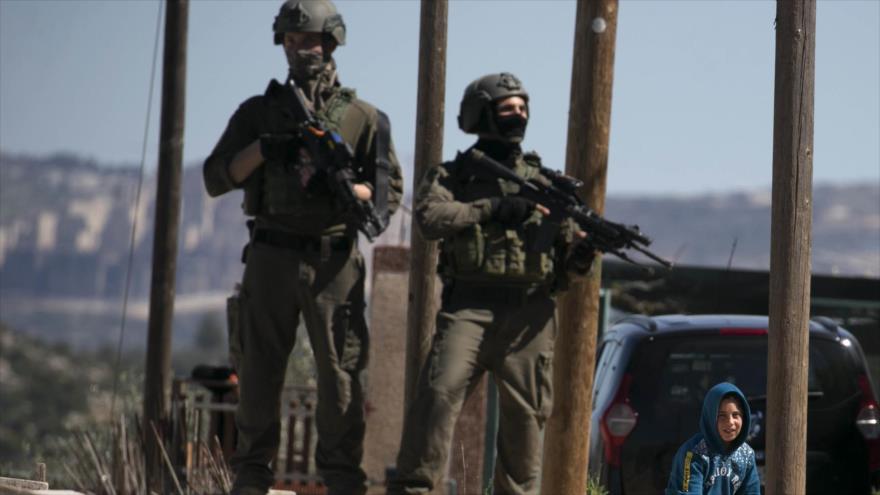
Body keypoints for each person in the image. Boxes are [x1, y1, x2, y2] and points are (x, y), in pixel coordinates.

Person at [202, 1, 403, 494]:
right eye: (290, 41)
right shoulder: (259, 113)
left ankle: (340, 479)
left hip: (334, 257)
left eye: (308, 39)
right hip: (271, 254)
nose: (298, 49)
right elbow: (215, 178)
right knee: (258, 371)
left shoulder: (364, 118)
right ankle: (252, 473)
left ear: (331, 42)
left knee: (342, 376)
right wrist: (266, 149)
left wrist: (349, 190)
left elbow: (387, 191)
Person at [388, 72, 596, 495]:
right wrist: (494, 207)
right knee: (438, 397)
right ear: (482, 115)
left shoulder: (545, 183)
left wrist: (582, 254)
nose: (517, 116)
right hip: (469, 309)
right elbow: (430, 219)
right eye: (507, 109)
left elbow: (568, 267)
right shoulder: (455, 176)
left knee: (525, 423)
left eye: (522, 108)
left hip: (531, 315)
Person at [666, 382, 761, 494]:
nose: (730, 422)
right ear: (710, 417)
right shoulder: (694, 453)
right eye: (721, 415)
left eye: (735, 415)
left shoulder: (746, 454)